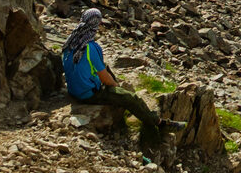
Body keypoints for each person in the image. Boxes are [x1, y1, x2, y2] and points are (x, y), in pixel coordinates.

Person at [61, 9, 177, 146]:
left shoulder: (69, 43)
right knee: (131, 98)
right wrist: (116, 88)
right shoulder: (91, 47)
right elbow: (105, 78)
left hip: (73, 90)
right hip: (88, 94)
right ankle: (159, 123)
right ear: (96, 24)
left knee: (106, 71)